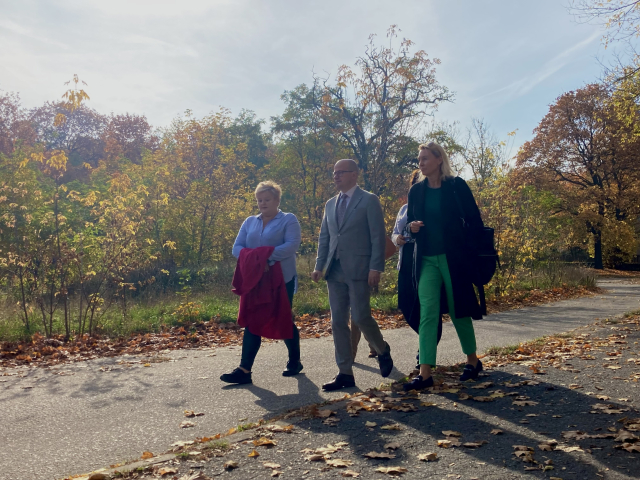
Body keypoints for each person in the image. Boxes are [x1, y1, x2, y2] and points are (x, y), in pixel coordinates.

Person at [403, 142, 484, 391]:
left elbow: (475, 221)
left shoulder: (457, 186)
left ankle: (472, 361)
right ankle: (425, 373)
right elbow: (408, 224)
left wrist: (469, 252)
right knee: (428, 312)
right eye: (419, 159)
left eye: (425, 158)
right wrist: (411, 228)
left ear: (439, 159)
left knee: (459, 310)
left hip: (454, 259)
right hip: (426, 259)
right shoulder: (416, 191)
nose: (421, 163)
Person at [311, 159, 394, 391]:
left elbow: (377, 237)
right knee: (338, 321)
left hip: (359, 269)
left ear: (354, 174)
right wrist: (319, 266)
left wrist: (376, 267)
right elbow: (325, 237)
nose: (336, 176)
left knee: (360, 316)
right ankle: (345, 373)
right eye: (334, 172)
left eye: (341, 172)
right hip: (334, 270)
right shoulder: (330, 204)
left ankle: (382, 349)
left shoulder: (368, 200)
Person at [220, 181, 302, 385]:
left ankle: (294, 361)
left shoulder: (288, 219)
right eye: (259, 200)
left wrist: (266, 258)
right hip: (255, 280)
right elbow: (237, 248)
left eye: (267, 199)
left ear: (277, 200)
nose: (263, 203)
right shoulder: (250, 222)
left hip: (282, 278)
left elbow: (291, 246)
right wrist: (257, 261)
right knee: (253, 319)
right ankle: (244, 370)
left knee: (283, 317)